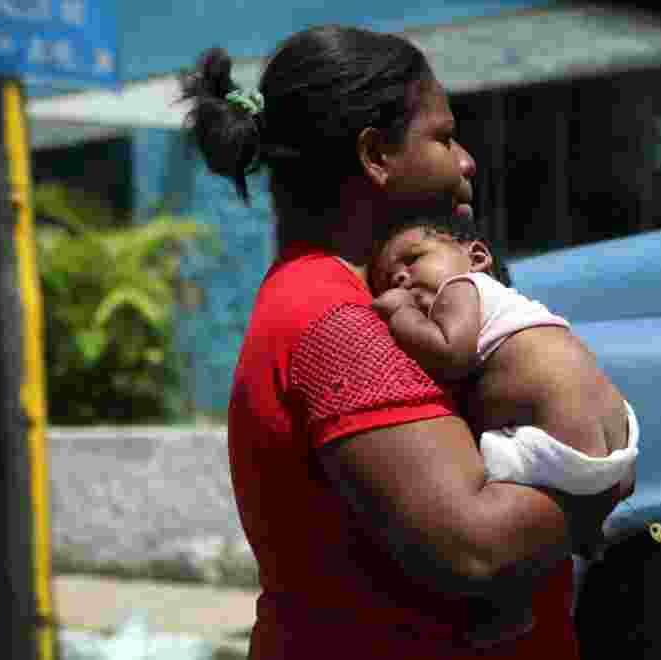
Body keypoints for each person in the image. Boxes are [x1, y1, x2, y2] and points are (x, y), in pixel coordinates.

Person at [180, 25, 626, 660]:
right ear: (375, 156)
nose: (466, 161)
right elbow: (477, 547)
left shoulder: (361, 299)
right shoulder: (335, 317)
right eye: (443, 138)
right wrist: (597, 484)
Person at [370, 213, 639, 646]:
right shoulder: (510, 306)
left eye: (413, 258)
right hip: (617, 437)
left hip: (558, 445)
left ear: (475, 257)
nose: (400, 275)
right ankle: (584, 538)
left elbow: (450, 353)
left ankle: (502, 609)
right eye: (387, 277)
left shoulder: (462, 289)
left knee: (479, 488)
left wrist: (399, 315)